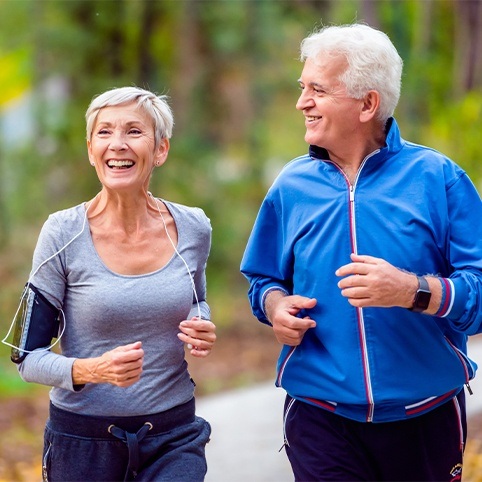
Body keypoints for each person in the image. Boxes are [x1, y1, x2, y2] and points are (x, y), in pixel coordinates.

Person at [241, 23, 482, 481]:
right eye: (302, 88)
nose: (302, 102)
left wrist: (413, 290)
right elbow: (263, 280)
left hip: (426, 416)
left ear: (367, 103)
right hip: (320, 415)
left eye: (318, 90)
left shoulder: (438, 178)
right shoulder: (291, 186)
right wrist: (275, 307)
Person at [9, 86, 216, 481]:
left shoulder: (192, 227)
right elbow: (26, 357)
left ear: (160, 150)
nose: (117, 144)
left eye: (134, 131)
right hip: (84, 443)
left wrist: (200, 322)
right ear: (91, 150)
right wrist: (94, 369)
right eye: (104, 132)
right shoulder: (62, 233)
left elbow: (197, 299)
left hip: (173, 436)